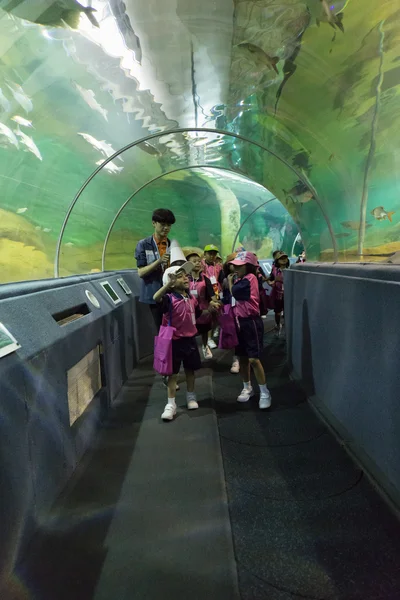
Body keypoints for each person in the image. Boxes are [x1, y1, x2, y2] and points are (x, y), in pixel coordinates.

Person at [153, 263, 218, 421]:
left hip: (190, 340)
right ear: (171, 281)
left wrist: (209, 309)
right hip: (174, 342)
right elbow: (156, 298)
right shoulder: (169, 299)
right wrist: (168, 285)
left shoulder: (191, 298)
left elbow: (197, 313)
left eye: (185, 275)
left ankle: (191, 396)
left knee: (190, 370)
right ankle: (170, 404)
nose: (186, 278)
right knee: (172, 374)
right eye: (180, 276)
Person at [228, 251, 271, 409]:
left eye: (241, 266)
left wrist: (230, 282)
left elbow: (234, 292)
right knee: (243, 358)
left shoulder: (250, 279)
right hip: (239, 321)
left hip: (251, 322)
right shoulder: (241, 278)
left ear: (250, 267)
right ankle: (247, 388)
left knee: (253, 359)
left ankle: (265, 392)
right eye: (236, 266)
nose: (235, 269)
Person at [135, 208, 176, 331]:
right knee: (160, 330)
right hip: (154, 294)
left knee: (174, 328)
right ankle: (162, 350)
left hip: (171, 293)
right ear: (154, 223)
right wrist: (158, 261)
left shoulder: (171, 245)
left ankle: (173, 350)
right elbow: (141, 272)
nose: (166, 228)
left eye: (169, 225)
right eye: (163, 224)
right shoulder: (143, 244)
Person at [183, 248, 217, 360]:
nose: (197, 263)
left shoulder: (205, 279)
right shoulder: (185, 279)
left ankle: (205, 346)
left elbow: (211, 295)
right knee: (190, 332)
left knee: (204, 331)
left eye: (198, 261)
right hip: (189, 311)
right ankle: (192, 351)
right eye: (194, 261)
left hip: (203, 311)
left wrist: (213, 303)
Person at [202, 244, 224, 349]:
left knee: (216, 313)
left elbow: (221, 280)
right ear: (204, 254)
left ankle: (215, 329)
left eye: (214, 254)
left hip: (216, 291)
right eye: (210, 253)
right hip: (205, 293)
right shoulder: (201, 265)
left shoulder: (218, 266)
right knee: (209, 315)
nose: (212, 256)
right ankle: (208, 339)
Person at [222, 253, 240, 374]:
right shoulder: (225, 279)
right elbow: (226, 295)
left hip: (243, 309)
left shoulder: (246, 277)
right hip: (231, 309)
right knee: (234, 333)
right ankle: (236, 359)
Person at [268, 251, 290, 333]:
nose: (284, 260)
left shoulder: (290, 270)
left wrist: (281, 280)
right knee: (277, 312)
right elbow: (271, 279)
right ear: (277, 260)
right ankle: (277, 324)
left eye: (285, 257)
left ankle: (287, 329)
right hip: (278, 294)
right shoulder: (275, 270)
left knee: (287, 312)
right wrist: (272, 283)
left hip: (288, 295)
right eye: (281, 258)